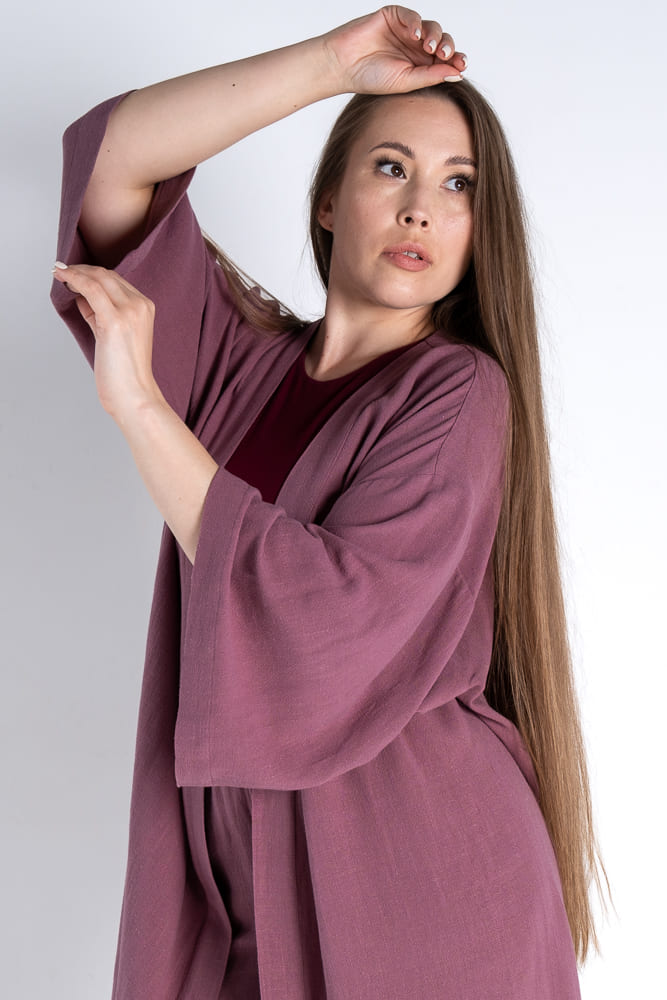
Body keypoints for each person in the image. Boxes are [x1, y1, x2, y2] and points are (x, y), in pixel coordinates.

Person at [51, 6, 603, 998]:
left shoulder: (458, 394)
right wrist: (332, 64)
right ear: (328, 202)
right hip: (244, 891)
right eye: (390, 168)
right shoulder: (237, 369)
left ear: (479, 232)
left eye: (458, 185)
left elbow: (324, 614)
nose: (421, 208)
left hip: (419, 894)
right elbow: (111, 167)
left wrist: (139, 408)